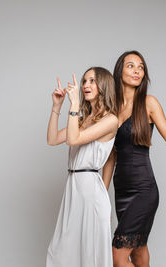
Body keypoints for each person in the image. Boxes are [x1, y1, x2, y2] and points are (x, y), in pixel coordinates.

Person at [102, 50, 166, 267]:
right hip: (121, 191)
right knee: (139, 253)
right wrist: (102, 197)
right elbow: (110, 158)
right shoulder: (111, 109)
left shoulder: (148, 103)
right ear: (119, 70)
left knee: (118, 256)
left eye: (141, 67)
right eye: (131, 65)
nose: (137, 70)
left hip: (144, 190)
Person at [46, 67, 118, 267]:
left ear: (104, 85)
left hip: (90, 191)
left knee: (90, 255)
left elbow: (73, 139)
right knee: (61, 252)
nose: (86, 85)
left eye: (92, 81)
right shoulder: (82, 119)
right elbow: (52, 139)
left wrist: (75, 105)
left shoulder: (111, 120)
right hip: (73, 187)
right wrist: (57, 106)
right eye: (85, 81)